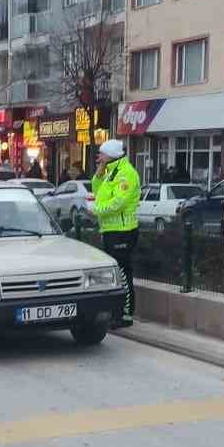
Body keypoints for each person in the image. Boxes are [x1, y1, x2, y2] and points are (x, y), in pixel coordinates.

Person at [91, 139, 140, 327]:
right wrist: (98, 174)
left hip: (123, 231)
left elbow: (119, 201)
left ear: (111, 154)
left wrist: (97, 210)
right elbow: (98, 191)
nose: (99, 157)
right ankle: (116, 312)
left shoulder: (125, 173)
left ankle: (126, 314)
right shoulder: (112, 171)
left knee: (122, 272)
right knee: (115, 272)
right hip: (111, 230)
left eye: (102, 154)